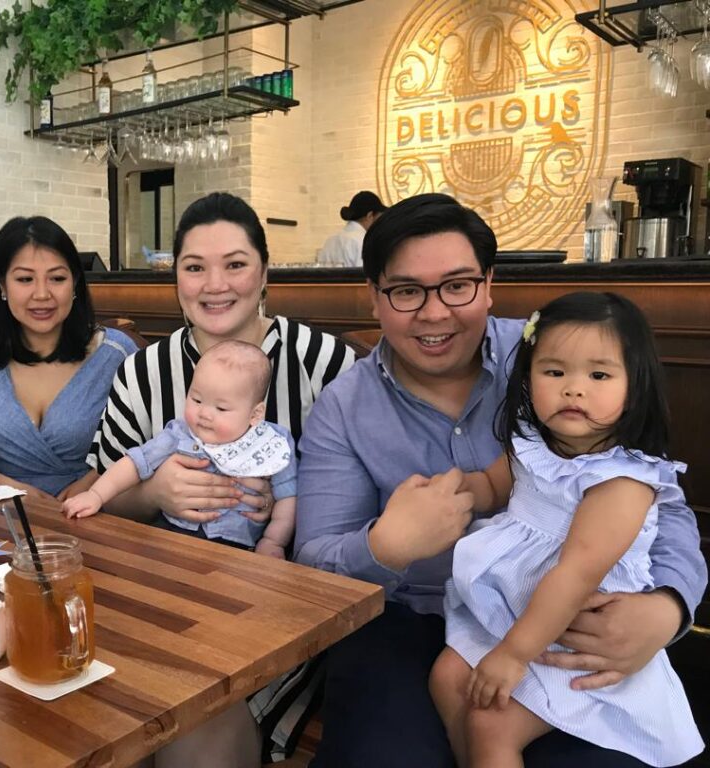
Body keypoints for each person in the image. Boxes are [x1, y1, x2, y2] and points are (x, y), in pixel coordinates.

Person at [294, 193, 707, 768]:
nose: (434, 313)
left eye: (457, 285)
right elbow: (312, 564)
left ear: (488, 284)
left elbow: (662, 506)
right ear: (374, 296)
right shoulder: (343, 406)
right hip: (409, 619)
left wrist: (668, 607)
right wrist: (384, 547)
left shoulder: (559, 357)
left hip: (565, 619)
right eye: (407, 291)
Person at [89, 192, 356, 766]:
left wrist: (279, 520)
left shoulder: (327, 364)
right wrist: (155, 492)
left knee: (192, 733)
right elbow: (105, 501)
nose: (215, 285)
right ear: (176, 281)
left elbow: (358, 510)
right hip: (156, 592)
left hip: (281, 604)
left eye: (235, 264)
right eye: (194, 267)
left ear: (265, 273)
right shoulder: (142, 372)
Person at [431, 292, 703, 768]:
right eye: (554, 372)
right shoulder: (535, 445)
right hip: (513, 609)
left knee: (491, 722)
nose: (574, 390)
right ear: (527, 378)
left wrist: (514, 655)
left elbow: (575, 574)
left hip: (573, 632)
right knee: (447, 676)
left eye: (599, 375)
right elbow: (492, 485)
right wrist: (454, 492)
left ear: (634, 386)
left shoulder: (622, 481)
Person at [0, 216, 137, 501]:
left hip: (95, 510)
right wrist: (12, 490)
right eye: (25, 279)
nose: (42, 294)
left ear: (75, 283)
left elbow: (145, 442)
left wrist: (91, 486)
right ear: (2, 285)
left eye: (57, 278)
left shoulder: (117, 353)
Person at [67, 340, 296, 558]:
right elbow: (134, 463)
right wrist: (96, 495)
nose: (204, 413)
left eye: (221, 408)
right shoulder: (179, 434)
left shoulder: (271, 444)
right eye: (196, 400)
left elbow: (288, 497)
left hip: (238, 550)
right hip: (173, 535)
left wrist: (273, 541)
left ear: (255, 414)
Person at [316, 190, 386, 267]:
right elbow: (367, 273)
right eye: (379, 218)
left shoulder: (330, 241)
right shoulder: (365, 242)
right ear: (370, 216)